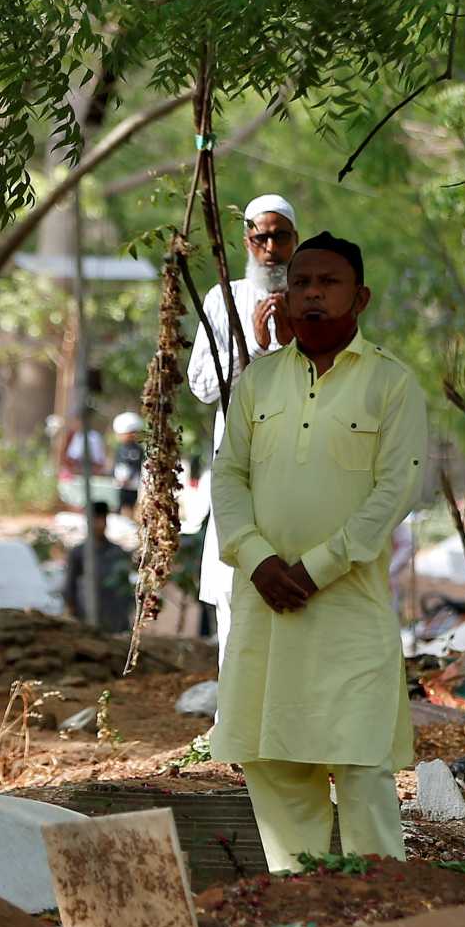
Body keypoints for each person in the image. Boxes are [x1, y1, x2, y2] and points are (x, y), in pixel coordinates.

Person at [211, 231, 427, 870]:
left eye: (326, 283)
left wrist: (317, 567)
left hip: (346, 607)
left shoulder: (391, 384)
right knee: (274, 761)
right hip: (266, 603)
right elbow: (228, 475)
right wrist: (255, 558)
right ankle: (302, 905)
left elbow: (397, 488)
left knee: (361, 761)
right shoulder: (259, 383)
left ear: (359, 297)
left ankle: (382, 903)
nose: (309, 294)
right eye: (299, 282)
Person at [189, 192, 301, 662]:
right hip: (238, 465)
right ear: (246, 242)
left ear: (296, 241)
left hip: (299, 470)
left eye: (280, 237)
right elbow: (201, 385)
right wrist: (250, 349)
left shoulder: (314, 299)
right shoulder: (224, 298)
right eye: (261, 238)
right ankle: (231, 725)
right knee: (234, 589)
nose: (271, 248)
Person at [64, 501, 134, 635]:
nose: (99, 524)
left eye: (102, 520)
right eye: (95, 520)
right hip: (87, 615)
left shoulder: (118, 552)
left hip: (115, 617)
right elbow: (69, 586)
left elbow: (126, 586)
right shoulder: (78, 552)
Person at [111, 411, 146, 511]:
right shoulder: (120, 448)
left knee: (127, 507)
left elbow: (134, 466)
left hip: (130, 486)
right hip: (119, 485)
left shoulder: (136, 449)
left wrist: (128, 479)